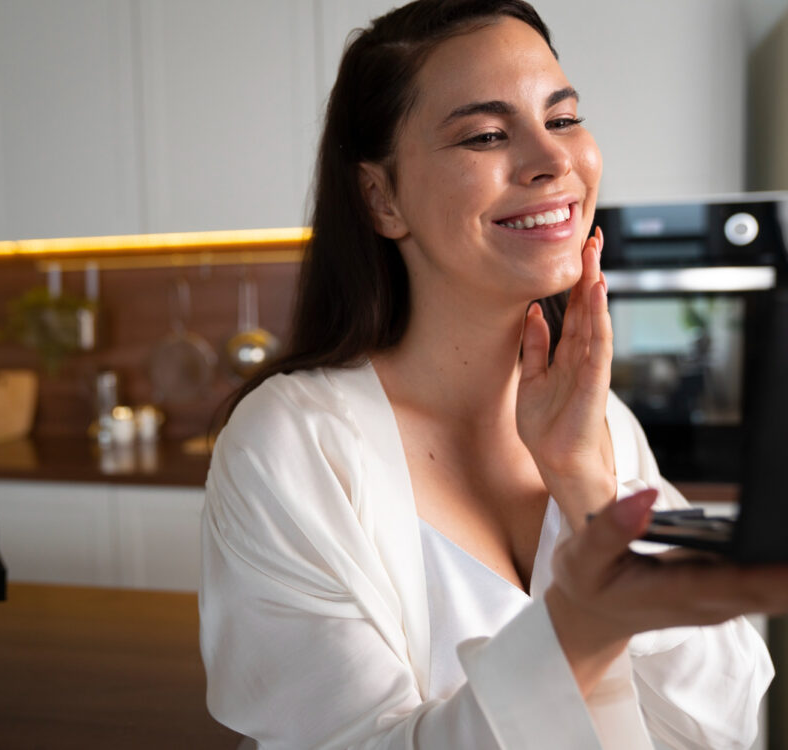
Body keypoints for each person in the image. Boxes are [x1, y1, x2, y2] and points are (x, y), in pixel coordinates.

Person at [199, 1, 788, 747]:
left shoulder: (600, 421)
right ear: (381, 198)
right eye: (485, 135)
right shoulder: (291, 445)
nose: (554, 161)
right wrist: (579, 630)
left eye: (564, 118)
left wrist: (590, 493)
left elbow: (724, 720)